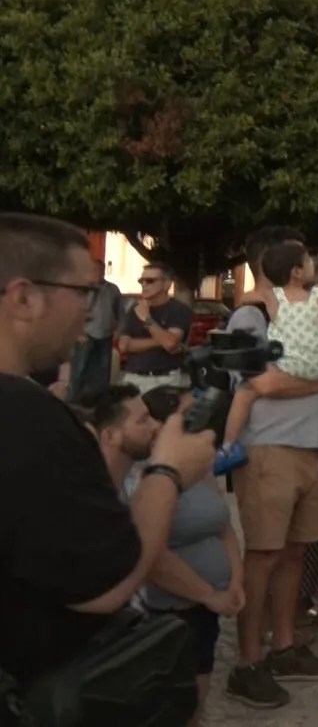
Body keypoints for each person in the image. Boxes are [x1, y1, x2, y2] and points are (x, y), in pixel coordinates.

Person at [0, 214, 216, 693]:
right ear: (24, 298)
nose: (91, 310)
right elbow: (107, 586)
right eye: (86, 292)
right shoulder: (29, 420)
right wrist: (168, 470)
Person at [222, 229, 318, 709]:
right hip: (270, 448)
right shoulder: (251, 315)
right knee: (263, 553)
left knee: (295, 553)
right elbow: (258, 382)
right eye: (305, 258)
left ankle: (283, 646)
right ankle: (247, 662)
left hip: (312, 446)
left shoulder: (304, 309)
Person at [129, 386, 243, 727]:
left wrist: (236, 579)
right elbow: (152, 556)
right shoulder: (142, 480)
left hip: (206, 610)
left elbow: (223, 525)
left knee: (197, 704)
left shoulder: (200, 468)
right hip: (169, 611)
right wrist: (211, 596)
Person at [223, 243, 318, 464]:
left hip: (289, 363)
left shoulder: (272, 298)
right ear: (296, 271)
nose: (315, 262)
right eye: (308, 260)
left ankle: (227, 446)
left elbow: (251, 298)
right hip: (317, 369)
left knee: (245, 393)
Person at [118, 263, 194, 392]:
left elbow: (170, 344)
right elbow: (124, 345)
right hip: (133, 378)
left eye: (150, 281)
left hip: (165, 380)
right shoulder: (135, 309)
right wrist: (161, 341)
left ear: (167, 284)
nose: (144, 285)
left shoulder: (178, 310)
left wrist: (146, 319)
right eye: (141, 281)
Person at [73, 257, 121, 396]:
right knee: (80, 369)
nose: (99, 273)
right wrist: (78, 332)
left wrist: (118, 330)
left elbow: (119, 311)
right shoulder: (82, 288)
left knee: (104, 369)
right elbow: (74, 311)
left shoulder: (112, 289)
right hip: (86, 334)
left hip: (106, 334)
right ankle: (74, 400)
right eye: (95, 270)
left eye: (101, 269)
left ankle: (100, 400)